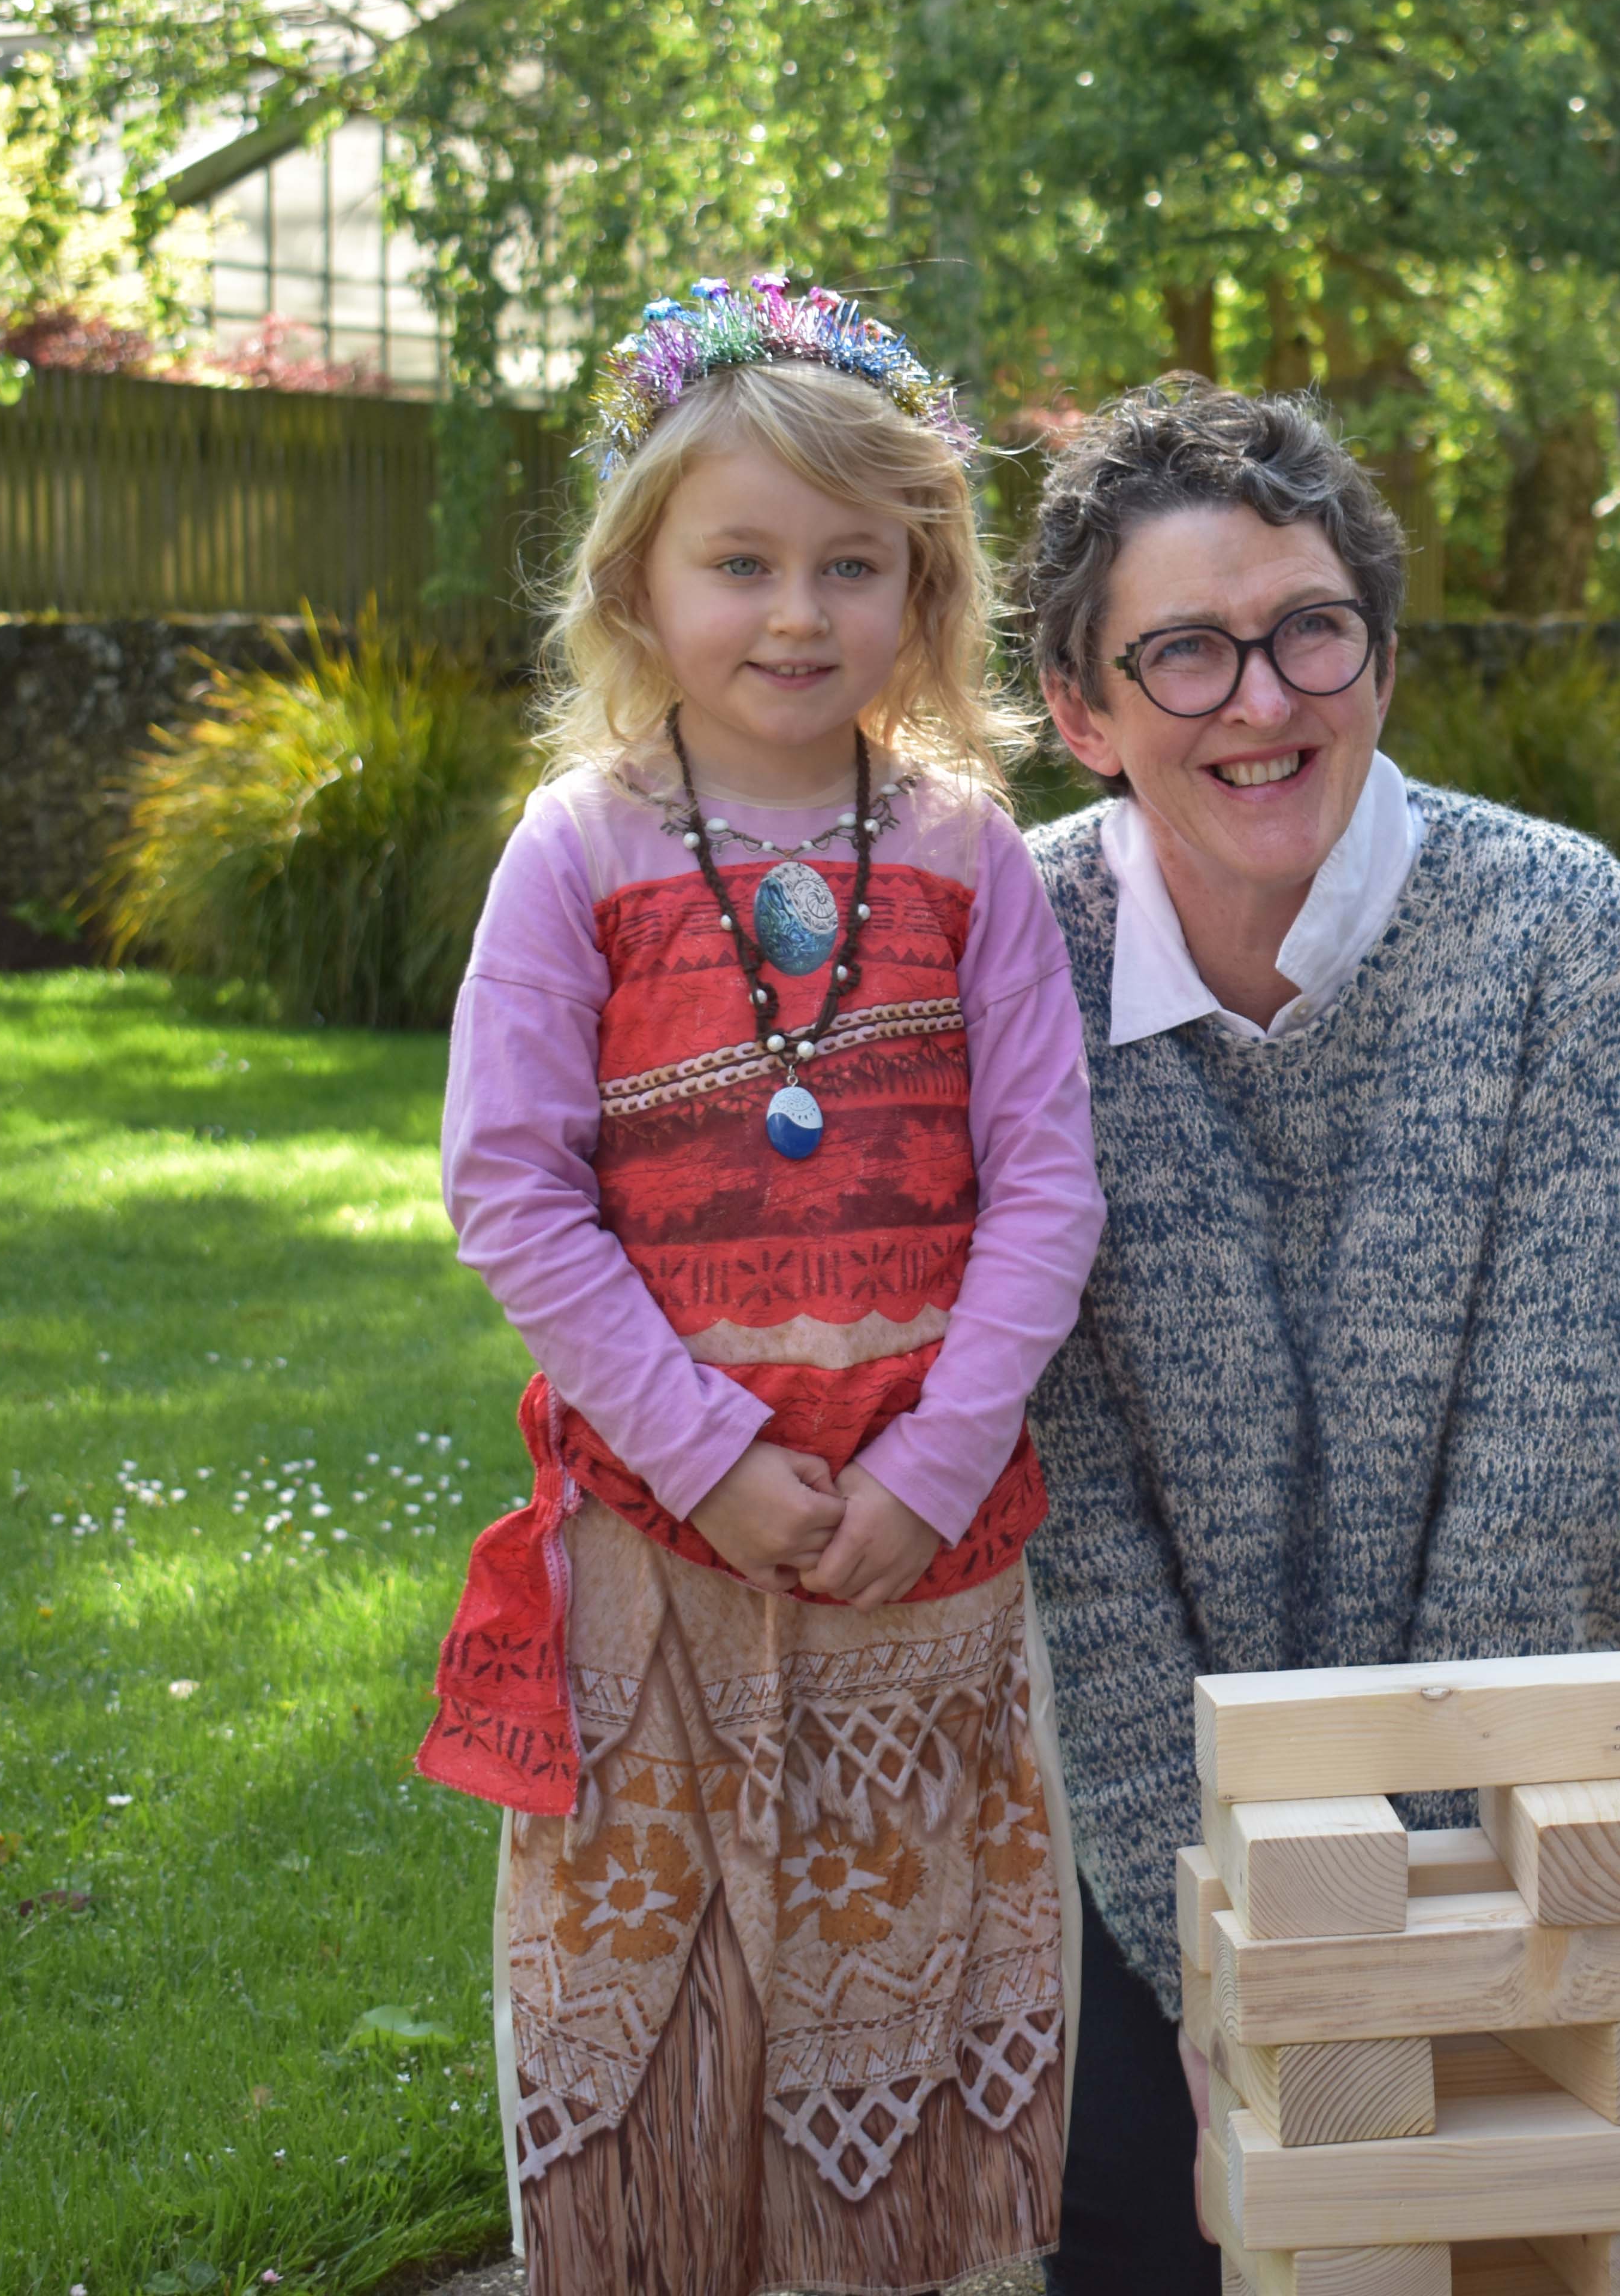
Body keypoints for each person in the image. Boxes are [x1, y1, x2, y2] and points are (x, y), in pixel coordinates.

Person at [412, 275, 1103, 2296]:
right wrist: (706, 1453)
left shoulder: (974, 858)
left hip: (919, 1542)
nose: (796, 614)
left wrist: (934, 1462)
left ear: (922, 592)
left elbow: (1048, 1189)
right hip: (657, 1532)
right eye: (742, 564)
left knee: (899, 1959)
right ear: (641, 590)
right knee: (647, 1960)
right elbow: (513, 1187)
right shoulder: (576, 852)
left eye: (849, 567)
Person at [1011, 375, 1620, 2288]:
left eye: (1312, 632)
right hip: (1162, 1824)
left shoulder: (1558, 928)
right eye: (1187, 653)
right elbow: (1077, 1532)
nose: (1263, 699)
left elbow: (1546, 1486)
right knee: (1150, 2239)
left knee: (1477, 2235)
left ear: (1380, 660)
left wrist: (1402, 1940)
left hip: (1510, 1781)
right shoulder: (1011, 952)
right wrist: (1221, 1960)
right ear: (1084, 707)